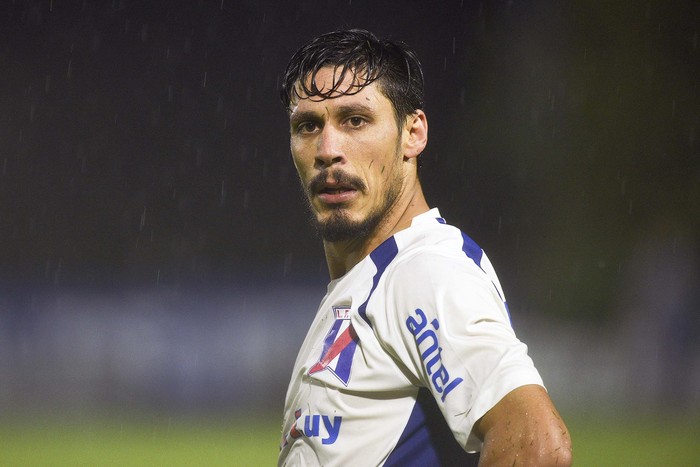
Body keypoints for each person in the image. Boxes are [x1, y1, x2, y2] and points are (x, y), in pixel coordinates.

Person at [277, 29, 572, 466]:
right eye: (308, 126)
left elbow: (536, 445)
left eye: (355, 120)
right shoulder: (368, 280)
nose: (328, 150)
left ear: (413, 133)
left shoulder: (426, 270)